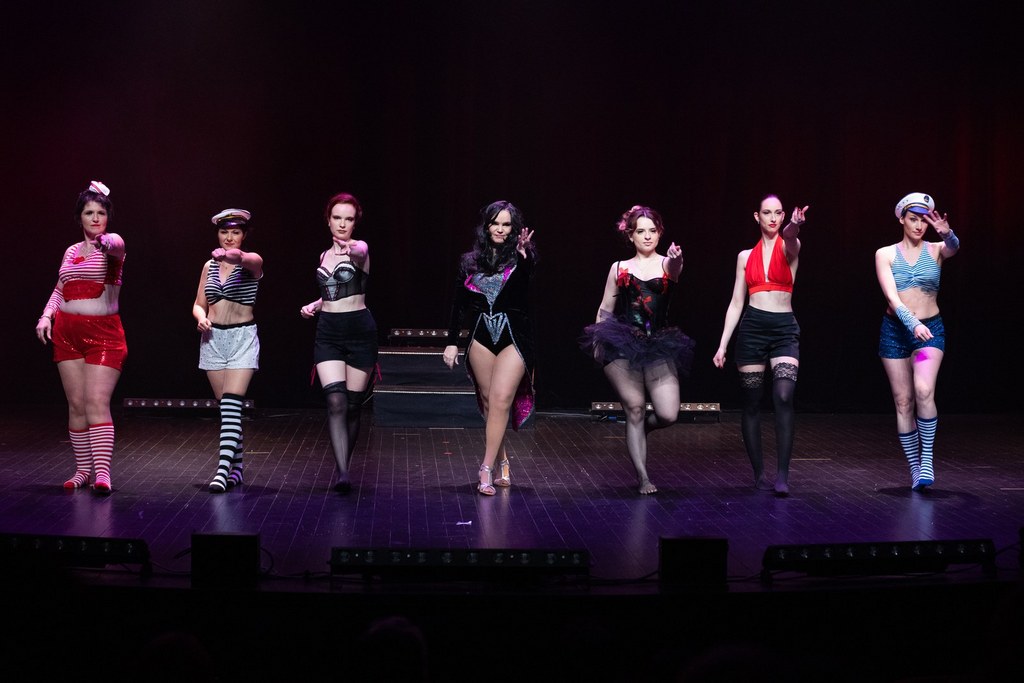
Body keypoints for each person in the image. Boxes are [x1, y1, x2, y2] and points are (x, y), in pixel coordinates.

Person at [580, 205, 694, 495]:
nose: (647, 236)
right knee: (634, 408)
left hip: (659, 343)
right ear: (630, 235)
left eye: (652, 231)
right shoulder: (619, 267)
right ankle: (643, 477)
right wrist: (597, 340)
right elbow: (605, 307)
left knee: (668, 413)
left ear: (660, 233)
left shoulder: (668, 264)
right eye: (641, 231)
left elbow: (676, 269)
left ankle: (641, 429)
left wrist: (677, 259)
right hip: (623, 342)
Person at [712, 195, 808, 496]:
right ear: (757, 216)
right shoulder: (744, 256)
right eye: (767, 213)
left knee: (783, 396)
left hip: (784, 329)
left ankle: (783, 475)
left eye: (778, 213)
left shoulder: (790, 246)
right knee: (752, 402)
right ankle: (758, 474)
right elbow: (736, 302)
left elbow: (790, 234)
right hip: (752, 328)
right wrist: (722, 344)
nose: (773, 218)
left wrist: (795, 224)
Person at [35, 180, 126, 494]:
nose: (96, 218)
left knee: (96, 402)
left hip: (103, 335)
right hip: (66, 333)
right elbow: (60, 288)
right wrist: (46, 315)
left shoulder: (113, 247)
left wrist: (106, 242)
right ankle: (82, 471)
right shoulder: (71, 251)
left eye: (101, 212)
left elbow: (115, 244)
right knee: (76, 405)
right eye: (89, 212)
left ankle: (103, 474)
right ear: (80, 217)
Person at [442, 200, 536, 495]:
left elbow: (526, 285)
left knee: (501, 399)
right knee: (488, 402)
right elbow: (458, 304)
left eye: (506, 224)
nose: (500, 229)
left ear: (514, 228)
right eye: (495, 223)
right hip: (481, 338)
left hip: (513, 337)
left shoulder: (521, 258)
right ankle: (503, 460)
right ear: (486, 226)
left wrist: (525, 257)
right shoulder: (469, 261)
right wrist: (452, 342)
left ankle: (485, 467)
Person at [875, 192, 959, 490]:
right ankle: (915, 468)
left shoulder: (936, 249)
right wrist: (911, 324)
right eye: (913, 219)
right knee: (903, 401)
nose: (919, 225)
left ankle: (927, 460)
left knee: (924, 390)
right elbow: (892, 297)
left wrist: (948, 234)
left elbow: (953, 247)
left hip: (929, 330)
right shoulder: (885, 254)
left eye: (924, 221)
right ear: (902, 219)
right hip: (896, 332)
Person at [301, 193, 377, 494]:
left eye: (348, 219)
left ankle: (344, 462)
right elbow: (333, 291)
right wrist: (316, 304)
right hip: (329, 333)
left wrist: (353, 248)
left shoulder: (361, 250)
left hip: (360, 331)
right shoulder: (323, 256)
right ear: (328, 220)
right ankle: (342, 472)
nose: (342, 224)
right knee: (336, 401)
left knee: (354, 407)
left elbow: (359, 251)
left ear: (355, 222)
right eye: (337, 218)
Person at [192, 208, 263, 493]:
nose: (229, 237)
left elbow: (243, 259)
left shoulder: (252, 261)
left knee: (232, 404)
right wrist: (201, 318)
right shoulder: (208, 266)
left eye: (235, 232)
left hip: (242, 338)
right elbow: (199, 303)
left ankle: (222, 470)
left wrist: (230, 255)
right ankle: (237, 469)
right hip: (213, 339)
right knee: (227, 410)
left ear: (244, 235)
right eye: (224, 232)